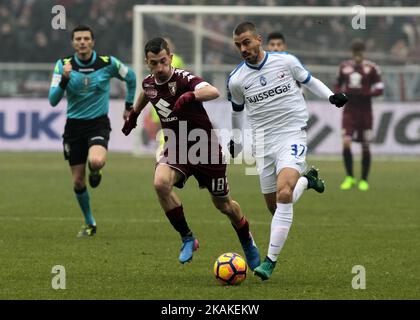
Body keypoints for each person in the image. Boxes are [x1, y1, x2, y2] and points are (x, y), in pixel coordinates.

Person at [122, 37, 260, 269]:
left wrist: (192, 95)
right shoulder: (149, 83)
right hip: (175, 145)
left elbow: (213, 91)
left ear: (171, 58)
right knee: (160, 184)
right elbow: (147, 93)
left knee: (224, 205)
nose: (160, 68)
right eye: (154, 63)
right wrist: (134, 115)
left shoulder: (184, 78)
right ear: (147, 63)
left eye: (163, 61)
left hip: (204, 147)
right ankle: (187, 237)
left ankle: (247, 241)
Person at [227, 22, 348, 280]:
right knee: (278, 205)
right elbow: (236, 113)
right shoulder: (236, 80)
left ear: (259, 39)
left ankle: (269, 262)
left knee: (284, 193)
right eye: (238, 45)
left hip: (291, 133)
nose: (243, 49)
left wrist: (330, 96)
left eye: (246, 42)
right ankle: (307, 180)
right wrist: (236, 141)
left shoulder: (285, 62)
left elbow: (310, 80)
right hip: (263, 144)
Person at [48, 25, 136, 237]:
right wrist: (65, 80)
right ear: (73, 43)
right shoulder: (63, 66)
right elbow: (53, 100)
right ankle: (90, 222)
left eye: (86, 38)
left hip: (97, 123)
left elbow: (131, 77)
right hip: (74, 127)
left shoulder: (107, 63)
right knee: (78, 181)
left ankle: (96, 170)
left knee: (95, 161)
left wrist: (128, 105)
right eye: (78, 39)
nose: (82, 42)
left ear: (92, 42)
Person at [335, 39, 384, 191]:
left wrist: (367, 92)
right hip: (349, 110)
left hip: (365, 111)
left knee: (365, 145)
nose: (357, 57)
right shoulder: (345, 67)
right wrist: (339, 94)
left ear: (364, 53)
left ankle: (363, 180)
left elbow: (380, 88)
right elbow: (337, 84)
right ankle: (349, 177)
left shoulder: (372, 67)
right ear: (352, 53)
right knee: (346, 142)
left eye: (360, 54)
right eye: (355, 54)